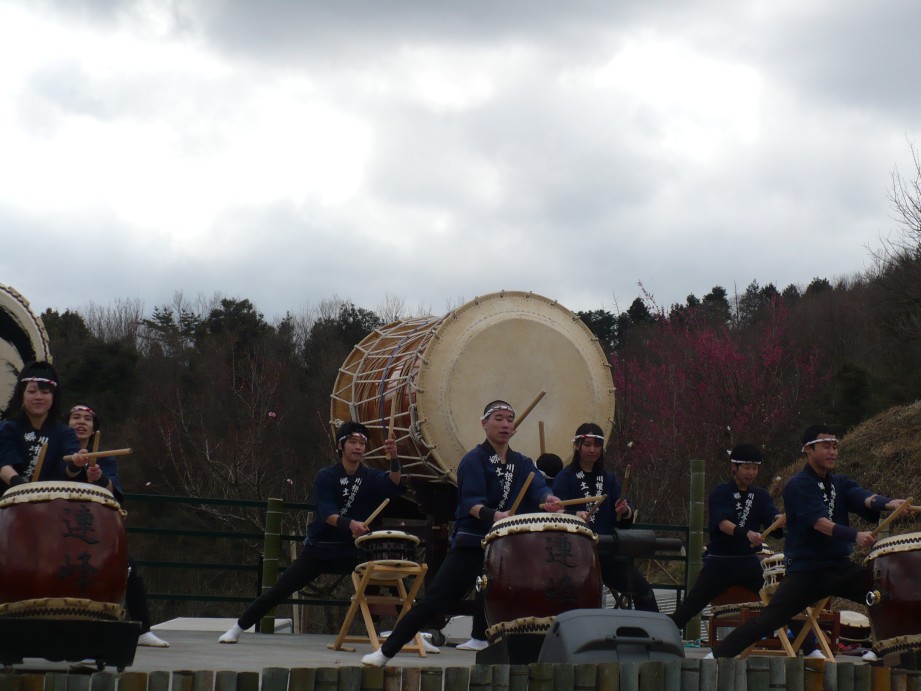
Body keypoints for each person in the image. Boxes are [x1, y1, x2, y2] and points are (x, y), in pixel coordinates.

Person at [361, 400, 564, 667]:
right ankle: (386, 652)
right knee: (435, 601)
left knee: (526, 597)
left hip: (508, 548)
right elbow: (471, 504)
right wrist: (495, 515)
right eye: (499, 418)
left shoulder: (522, 463)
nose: (505, 424)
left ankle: (525, 661)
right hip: (473, 544)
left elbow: (538, 488)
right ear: (484, 424)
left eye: (509, 420)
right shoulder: (473, 460)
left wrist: (549, 499)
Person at [711, 425, 915, 659]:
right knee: (768, 621)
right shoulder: (797, 485)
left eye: (835, 447)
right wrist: (855, 535)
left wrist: (890, 504)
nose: (832, 452)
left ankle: (883, 650)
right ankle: (717, 656)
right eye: (826, 446)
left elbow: (863, 497)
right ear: (808, 450)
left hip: (839, 567)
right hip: (807, 570)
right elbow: (819, 523)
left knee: (885, 595)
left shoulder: (840, 482)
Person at [219, 421, 405, 645]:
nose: (358, 447)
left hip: (355, 550)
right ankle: (237, 628)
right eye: (353, 442)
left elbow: (394, 483)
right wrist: (351, 524)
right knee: (282, 588)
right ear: (341, 446)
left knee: (392, 578)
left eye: (362, 444)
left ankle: (408, 634)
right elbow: (327, 513)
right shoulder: (326, 476)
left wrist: (394, 456)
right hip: (322, 548)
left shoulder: (369, 476)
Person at [66, 403, 170, 648]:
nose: (81, 422)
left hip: (93, 529)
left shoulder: (105, 456)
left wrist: (99, 478)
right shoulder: (56, 451)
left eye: (87, 419)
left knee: (129, 569)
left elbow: (115, 493)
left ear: (94, 429)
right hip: (57, 528)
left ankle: (143, 630)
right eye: (75, 418)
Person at [552, 422, 659, 612]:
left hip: (608, 551)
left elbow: (626, 517)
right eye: (587, 445)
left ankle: (652, 636)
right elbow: (554, 512)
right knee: (577, 599)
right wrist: (574, 515)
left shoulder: (609, 479)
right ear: (577, 446)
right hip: (575, 554)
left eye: (597, 445)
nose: (592, 450)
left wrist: (623, 510)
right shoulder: (565, 477)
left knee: (644, 591)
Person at [0, 361, 85, 490]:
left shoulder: (65, 433)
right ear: (22, 395)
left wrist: (76, 464)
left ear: (53, 397)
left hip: (53, 502)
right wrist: (21, 487)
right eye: (32, 391)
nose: (38, 397)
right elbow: (4, 464)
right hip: (10, 501)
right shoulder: (8, 428)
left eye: (45, 392)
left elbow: (68, 471)